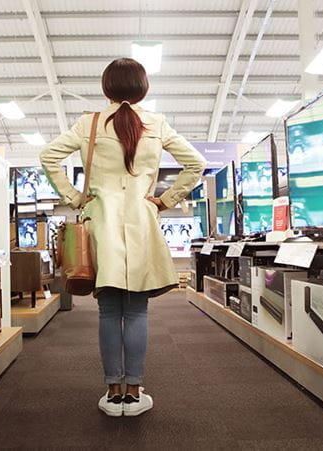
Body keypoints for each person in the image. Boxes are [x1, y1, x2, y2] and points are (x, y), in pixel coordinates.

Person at [40, 58, 205, 417]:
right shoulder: (156, 123)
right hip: (142, 222)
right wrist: (164, 200)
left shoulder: (90, 123)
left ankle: (112, 392)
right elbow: (196, 164)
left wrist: (75, 196)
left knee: (108, 310)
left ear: (107, 88)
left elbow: (48, 156)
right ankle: (134, 391)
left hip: (102, 222)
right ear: (143, 87)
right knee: (137, 311)